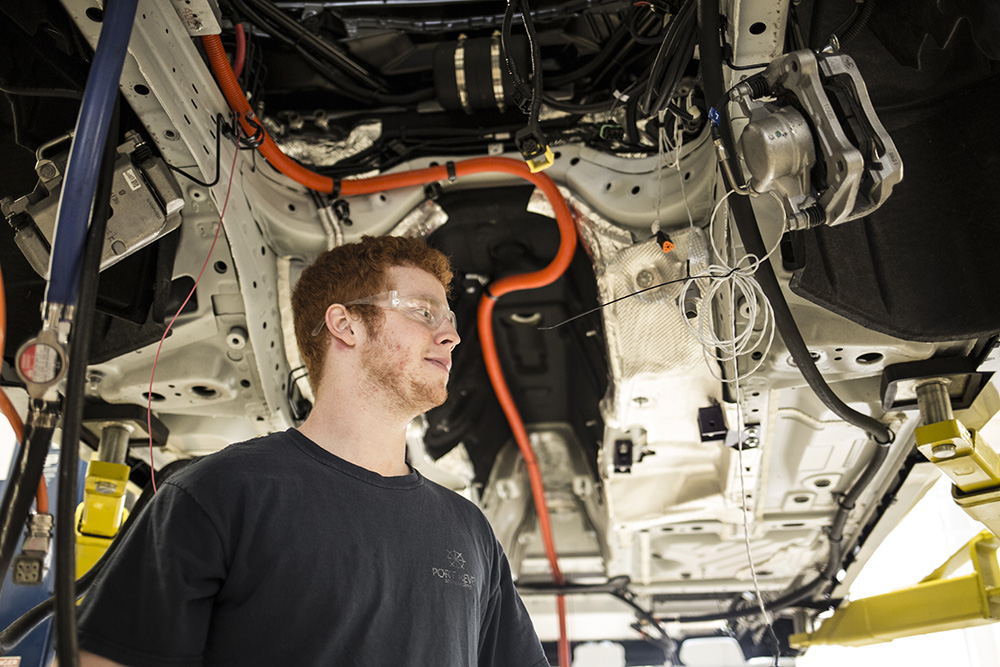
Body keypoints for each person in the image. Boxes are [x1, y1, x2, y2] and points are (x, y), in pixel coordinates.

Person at [75, 235, 550, 667]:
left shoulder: (469, 530)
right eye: (423, 312)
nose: (451, 335)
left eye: (448, 321)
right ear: (345, 324)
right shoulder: (219, 494)